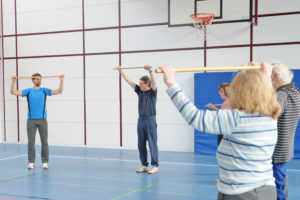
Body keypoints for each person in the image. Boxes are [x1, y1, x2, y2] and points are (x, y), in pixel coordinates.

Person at [160, 64, 281, 199]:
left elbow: (194, 116)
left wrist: (171, 84)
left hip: (243, 193)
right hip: (261, 191)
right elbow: (264, 92)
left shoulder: (236, 119)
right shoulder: (270, 115)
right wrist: (265, 76)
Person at [11, 73, 64, 169]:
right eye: (37, 79)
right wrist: (13, 81)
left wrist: (61, 80)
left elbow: (59, 91)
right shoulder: (28, 91)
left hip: (43, 120)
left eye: (40, 79)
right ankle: (31, 162)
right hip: (31, 120)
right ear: (33, 80)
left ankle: (45, 162)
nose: (39, 81)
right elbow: (13, 92)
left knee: (44, 142)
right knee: (31, 142)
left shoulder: (44, 91)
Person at [266, 62, 300, 200]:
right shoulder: (295, 91)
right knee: (281, 178)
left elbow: (270, 115)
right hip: (286, 146)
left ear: (274, 76)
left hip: (277, 149)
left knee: (277, 181)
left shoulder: (282, 94)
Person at [118, 65, 159, 174]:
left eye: (141, 83)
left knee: (152, 143)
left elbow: (154, 82)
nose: (139, 85)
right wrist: (121, 71)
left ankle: (154, 165)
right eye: (139, 83)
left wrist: (150, 71)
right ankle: (144, 165)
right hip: (140, 121)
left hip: (150, 120)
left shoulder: (152, 92)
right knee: (141, 144)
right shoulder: (140, 92)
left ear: (147, 84)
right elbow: (129, 81)